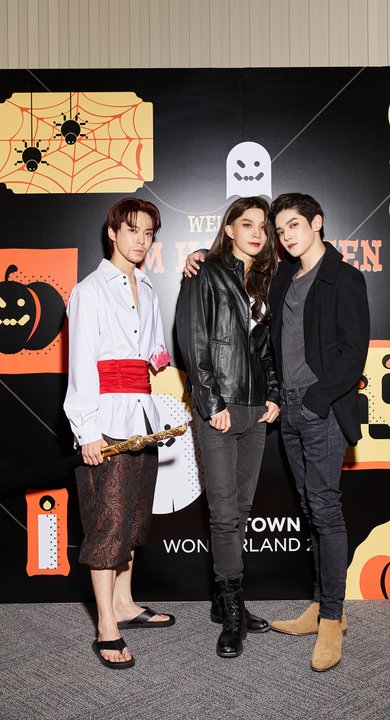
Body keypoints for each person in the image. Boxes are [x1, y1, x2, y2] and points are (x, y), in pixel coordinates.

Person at [184, 192, 370, 672]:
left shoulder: (344, 277)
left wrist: (312, 400)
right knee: (309, 508)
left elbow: (353, 354)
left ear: (317, 223)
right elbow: (237, 318)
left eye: (291, 226)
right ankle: (318, 605)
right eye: (278, 228)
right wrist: (200, 256)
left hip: (319, 409)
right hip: (284, 410)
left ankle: (333, 618)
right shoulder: (282, 276)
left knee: (325, 510)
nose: (283, 236)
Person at [64, 197, 175, 670]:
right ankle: (106, 625)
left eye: (148, 233)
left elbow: (153, 351)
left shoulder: (147, 287)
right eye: (132, 230)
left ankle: (125, 604)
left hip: (142, 418)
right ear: (113, 232)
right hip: (105, 421)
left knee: (132, 519)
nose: (141, 240)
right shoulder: (89, 290)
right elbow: (81, 365)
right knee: (107, 524)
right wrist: (86, 430)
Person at [176, 196, 281, 659]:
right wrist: (212, 402)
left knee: (240, 507)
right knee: (222, 513)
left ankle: (226, 602)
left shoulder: (265, 280)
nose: (256, 232)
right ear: (230, 228)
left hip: (255, 411)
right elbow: (193, 340)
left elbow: (266, 348)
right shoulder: (205, 271)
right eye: (247, 224)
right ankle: (234, 612)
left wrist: (273, 394)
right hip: (219, 409)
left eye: (263, 226)